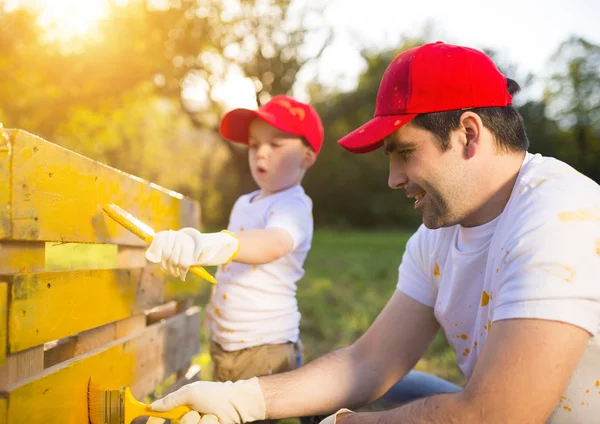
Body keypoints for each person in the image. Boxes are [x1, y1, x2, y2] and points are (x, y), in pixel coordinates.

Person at [149, 42, 600, 424]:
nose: (393, 178)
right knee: (361, 389)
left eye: (404, 152)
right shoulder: (436, 237)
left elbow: (496, 415)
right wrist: (245, 399)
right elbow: (369, 362)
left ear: (468, 133)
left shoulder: (560, 213)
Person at [145, 95, 324, 419]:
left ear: (307, 156)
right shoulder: (245, 201)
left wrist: (212, 245)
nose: (262, 152)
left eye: (277, 144)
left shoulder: (293, 205)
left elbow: (273, 243)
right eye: (255, 144)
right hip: (226, 341)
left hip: (264, 347)